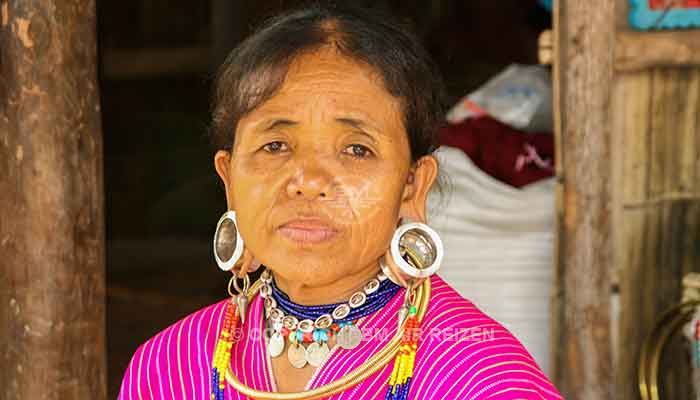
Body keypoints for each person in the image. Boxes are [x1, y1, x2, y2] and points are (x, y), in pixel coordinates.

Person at [118, 4, 563, 399]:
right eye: (275, 146)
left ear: (412, 186)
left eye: (356, 149)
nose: (308, 182)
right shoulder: (168, 368)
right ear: (230, 179)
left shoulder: (481, 379)